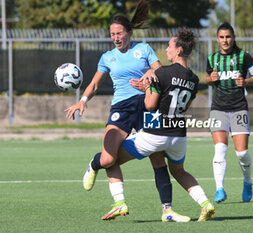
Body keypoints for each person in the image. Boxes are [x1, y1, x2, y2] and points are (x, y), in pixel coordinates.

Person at [64, 0, 187, 221]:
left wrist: (150, 75)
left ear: (129, 32)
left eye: (119, 33)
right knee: (107, 159)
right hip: (121, 108)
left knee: (158, 159)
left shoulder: (144, 49)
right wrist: (82, 100)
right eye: (112, 34)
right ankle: (102, 175)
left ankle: (167, 210)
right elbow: (94, 85)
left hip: (147, 104)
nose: (116, 38)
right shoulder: (107, 57)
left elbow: (161, 72)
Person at [107, 29, 215, 222]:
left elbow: (149, 105)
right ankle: (205, 204)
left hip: (156, 133)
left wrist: (148, 88)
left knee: (111, 160)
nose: (166, 49)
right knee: (179, 171)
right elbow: (185, 106)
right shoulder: (194, 79)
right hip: (179, 136)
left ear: (179, 50)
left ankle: (118, 201)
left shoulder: (163, 73)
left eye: (170, 46)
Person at [205, 22, 253, 203]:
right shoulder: (212, 58)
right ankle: (219, 189)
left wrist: (246, 81)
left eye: (228, 37)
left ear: (233, 38)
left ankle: (247, 182)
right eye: (221, 37)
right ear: (217, 39)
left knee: (241, 153)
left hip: (238, 108)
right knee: (220, 149)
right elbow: (208, 78)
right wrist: (210, 79)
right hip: (218, 108)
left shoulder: (243, 56)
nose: (225, 40)